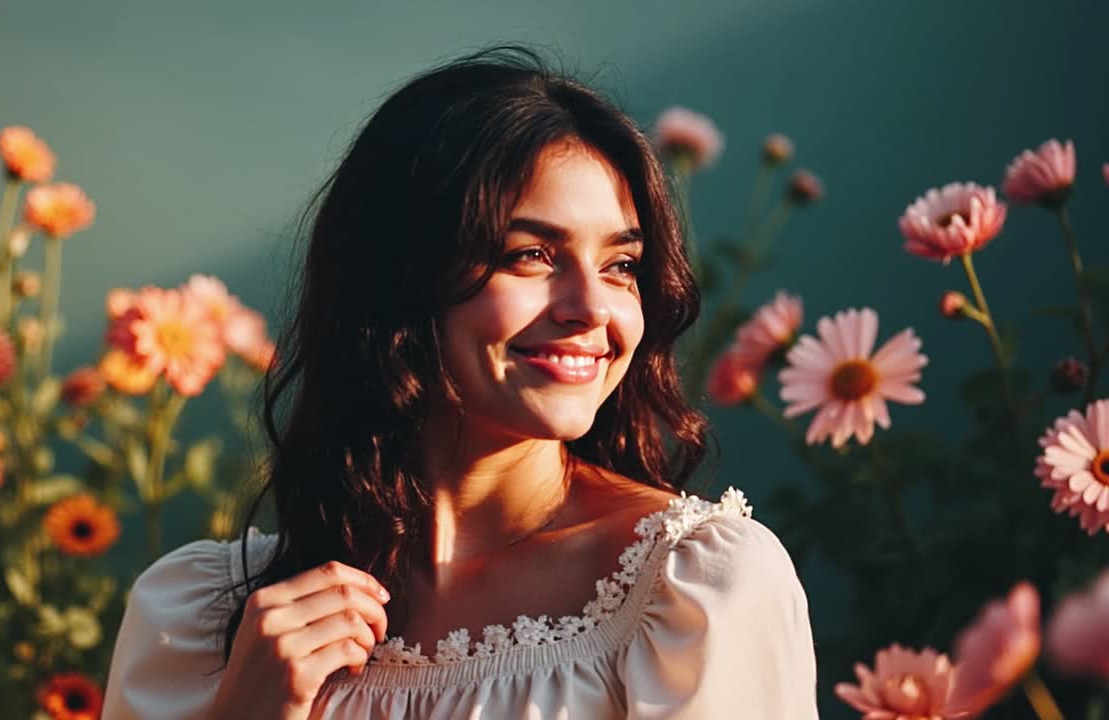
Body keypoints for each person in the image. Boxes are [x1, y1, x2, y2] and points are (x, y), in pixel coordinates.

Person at [102, 46, 818, 719]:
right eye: (531, 254)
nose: (591, 309)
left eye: (620, 265)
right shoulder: (199, 619)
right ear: (400, 276)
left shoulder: (696, 592)